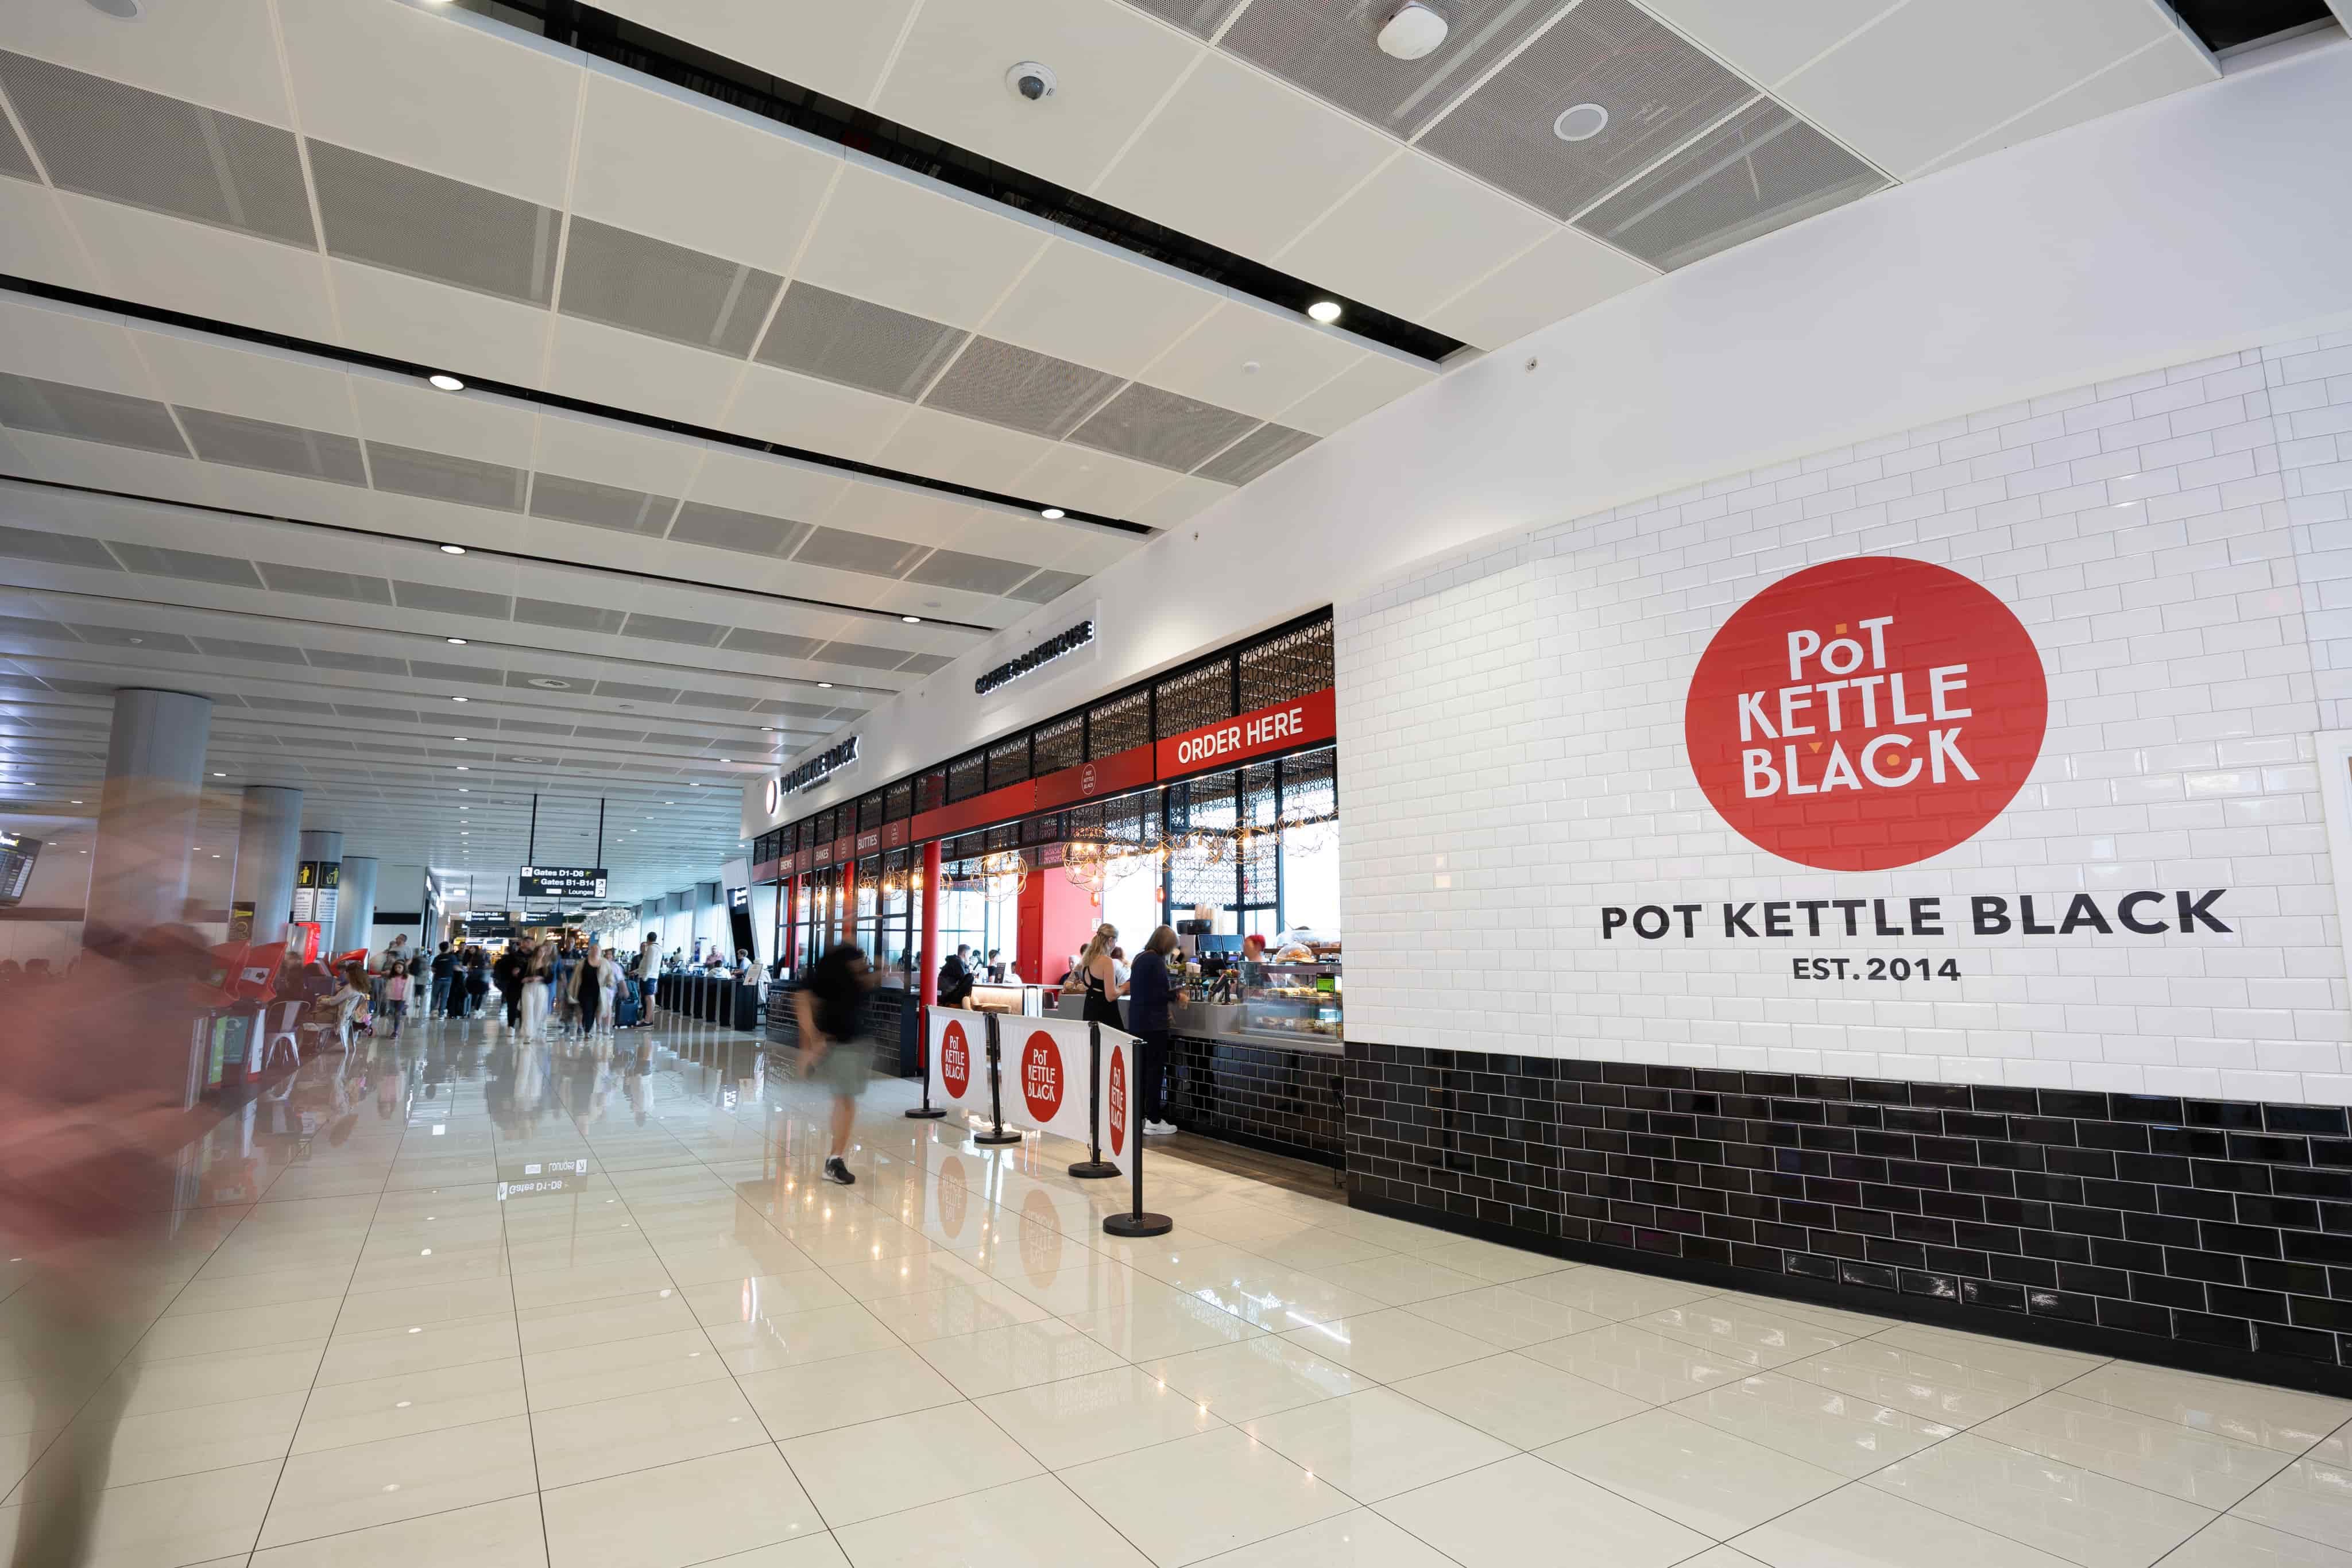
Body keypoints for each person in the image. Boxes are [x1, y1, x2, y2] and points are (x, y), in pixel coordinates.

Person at [0, 924, 211, 1568]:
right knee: (74, 1434)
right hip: (61, 1269)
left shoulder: (143, 1031)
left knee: (84, 1424)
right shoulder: (54, 1022)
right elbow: (21, 1137)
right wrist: (119, 1127)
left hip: (102, 1269)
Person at [794, 942, 873, 1186]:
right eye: (858, 961)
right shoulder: (829, 979)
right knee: (846, 1102)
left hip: (854, 1044)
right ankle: (834, 1160)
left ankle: (835, 1158)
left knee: (846, 1103)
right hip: (840, 1046)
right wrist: (812, 1041)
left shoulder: (852, 981)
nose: (863, 964)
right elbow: (803, 1001)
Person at [1129, 926, 1180, 1136]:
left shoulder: (1140, 958)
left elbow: (1145, 992)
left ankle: (1140, 1117)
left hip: (1138, 1022)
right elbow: (1160, 994)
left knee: (1141, 1071)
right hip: (1154, 1026)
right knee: (1155, 1072)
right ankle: (1154, 1119)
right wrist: (1177, 996)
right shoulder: (1157, 962)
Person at [1075, 922, 1122, 1032]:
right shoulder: (1107, 961)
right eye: (1116, 941)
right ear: (1111, 940)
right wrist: (1124, 988)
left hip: (1089, 1011)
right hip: (1106, 1014)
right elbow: (1110, 996)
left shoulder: (1087, 960)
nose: (1115, 945)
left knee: (1092, 1047)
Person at [381, 958, 411, 1040]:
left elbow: (409, 990)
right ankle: (391, 1030)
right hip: (392, 999)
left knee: (398, 1014)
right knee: (392, 1014)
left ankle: (395, 1032)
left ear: (404, 968)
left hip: (402, 999)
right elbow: (388, 988)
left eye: (400, 967)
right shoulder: (392, 977)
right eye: (396, 968)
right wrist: (386, 997)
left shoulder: (407, 978)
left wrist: (407, 1002)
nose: (398, 969)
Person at [938, 943, 974, 1008]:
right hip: (947, 996)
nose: (969, 957)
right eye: (969, 954)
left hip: (944, 994)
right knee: (971, 977)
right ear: (965, 954)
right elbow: (964, 977)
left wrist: (967, 967)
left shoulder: (954, 961)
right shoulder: (957, 962)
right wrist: (969, 970)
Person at [637, 930, 661, 1020]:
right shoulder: (658, 948)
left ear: (648, 939)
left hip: (649, 977)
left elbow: (649, 964)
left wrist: (645, 977)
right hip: (652, 976)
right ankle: (648, 1019)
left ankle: (648, 1020)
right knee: (650, 997)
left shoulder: (652, 948)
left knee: (649, 997)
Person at [428, 940, 455, 1019]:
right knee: (444, 997)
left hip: (438, 978)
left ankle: (432, 1012)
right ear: (448, 948)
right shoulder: (452, 957)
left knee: (434, 996)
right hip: (448, 979)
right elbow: (455, 967)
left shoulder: (438, 957)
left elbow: (433, 969)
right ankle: (441, 1014)